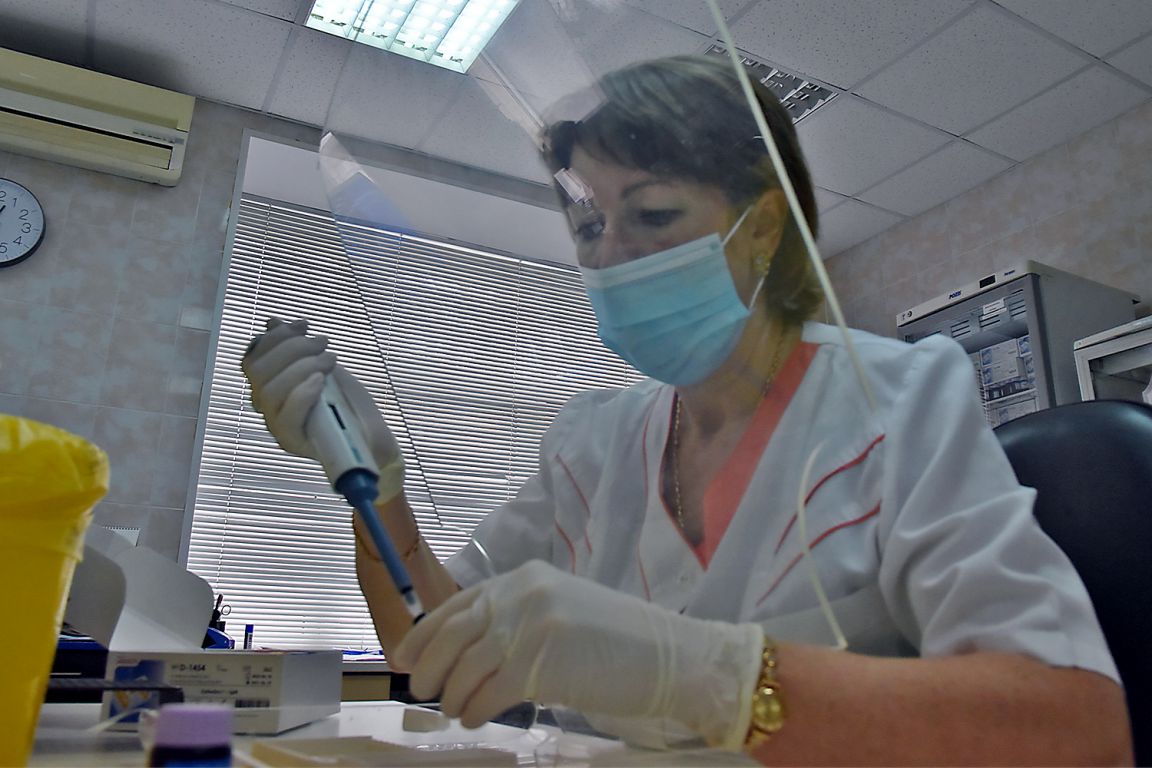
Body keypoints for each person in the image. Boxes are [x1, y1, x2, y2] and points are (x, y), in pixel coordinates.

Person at [242, 55, 1132, 764]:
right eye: (590, 227)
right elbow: (430, 648)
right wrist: (375, 488)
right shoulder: (591, 443)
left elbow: (1078, 732)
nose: (611, 256)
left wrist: (705, 676)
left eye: (653, 214)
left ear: (765, 227)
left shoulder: (900, 399)